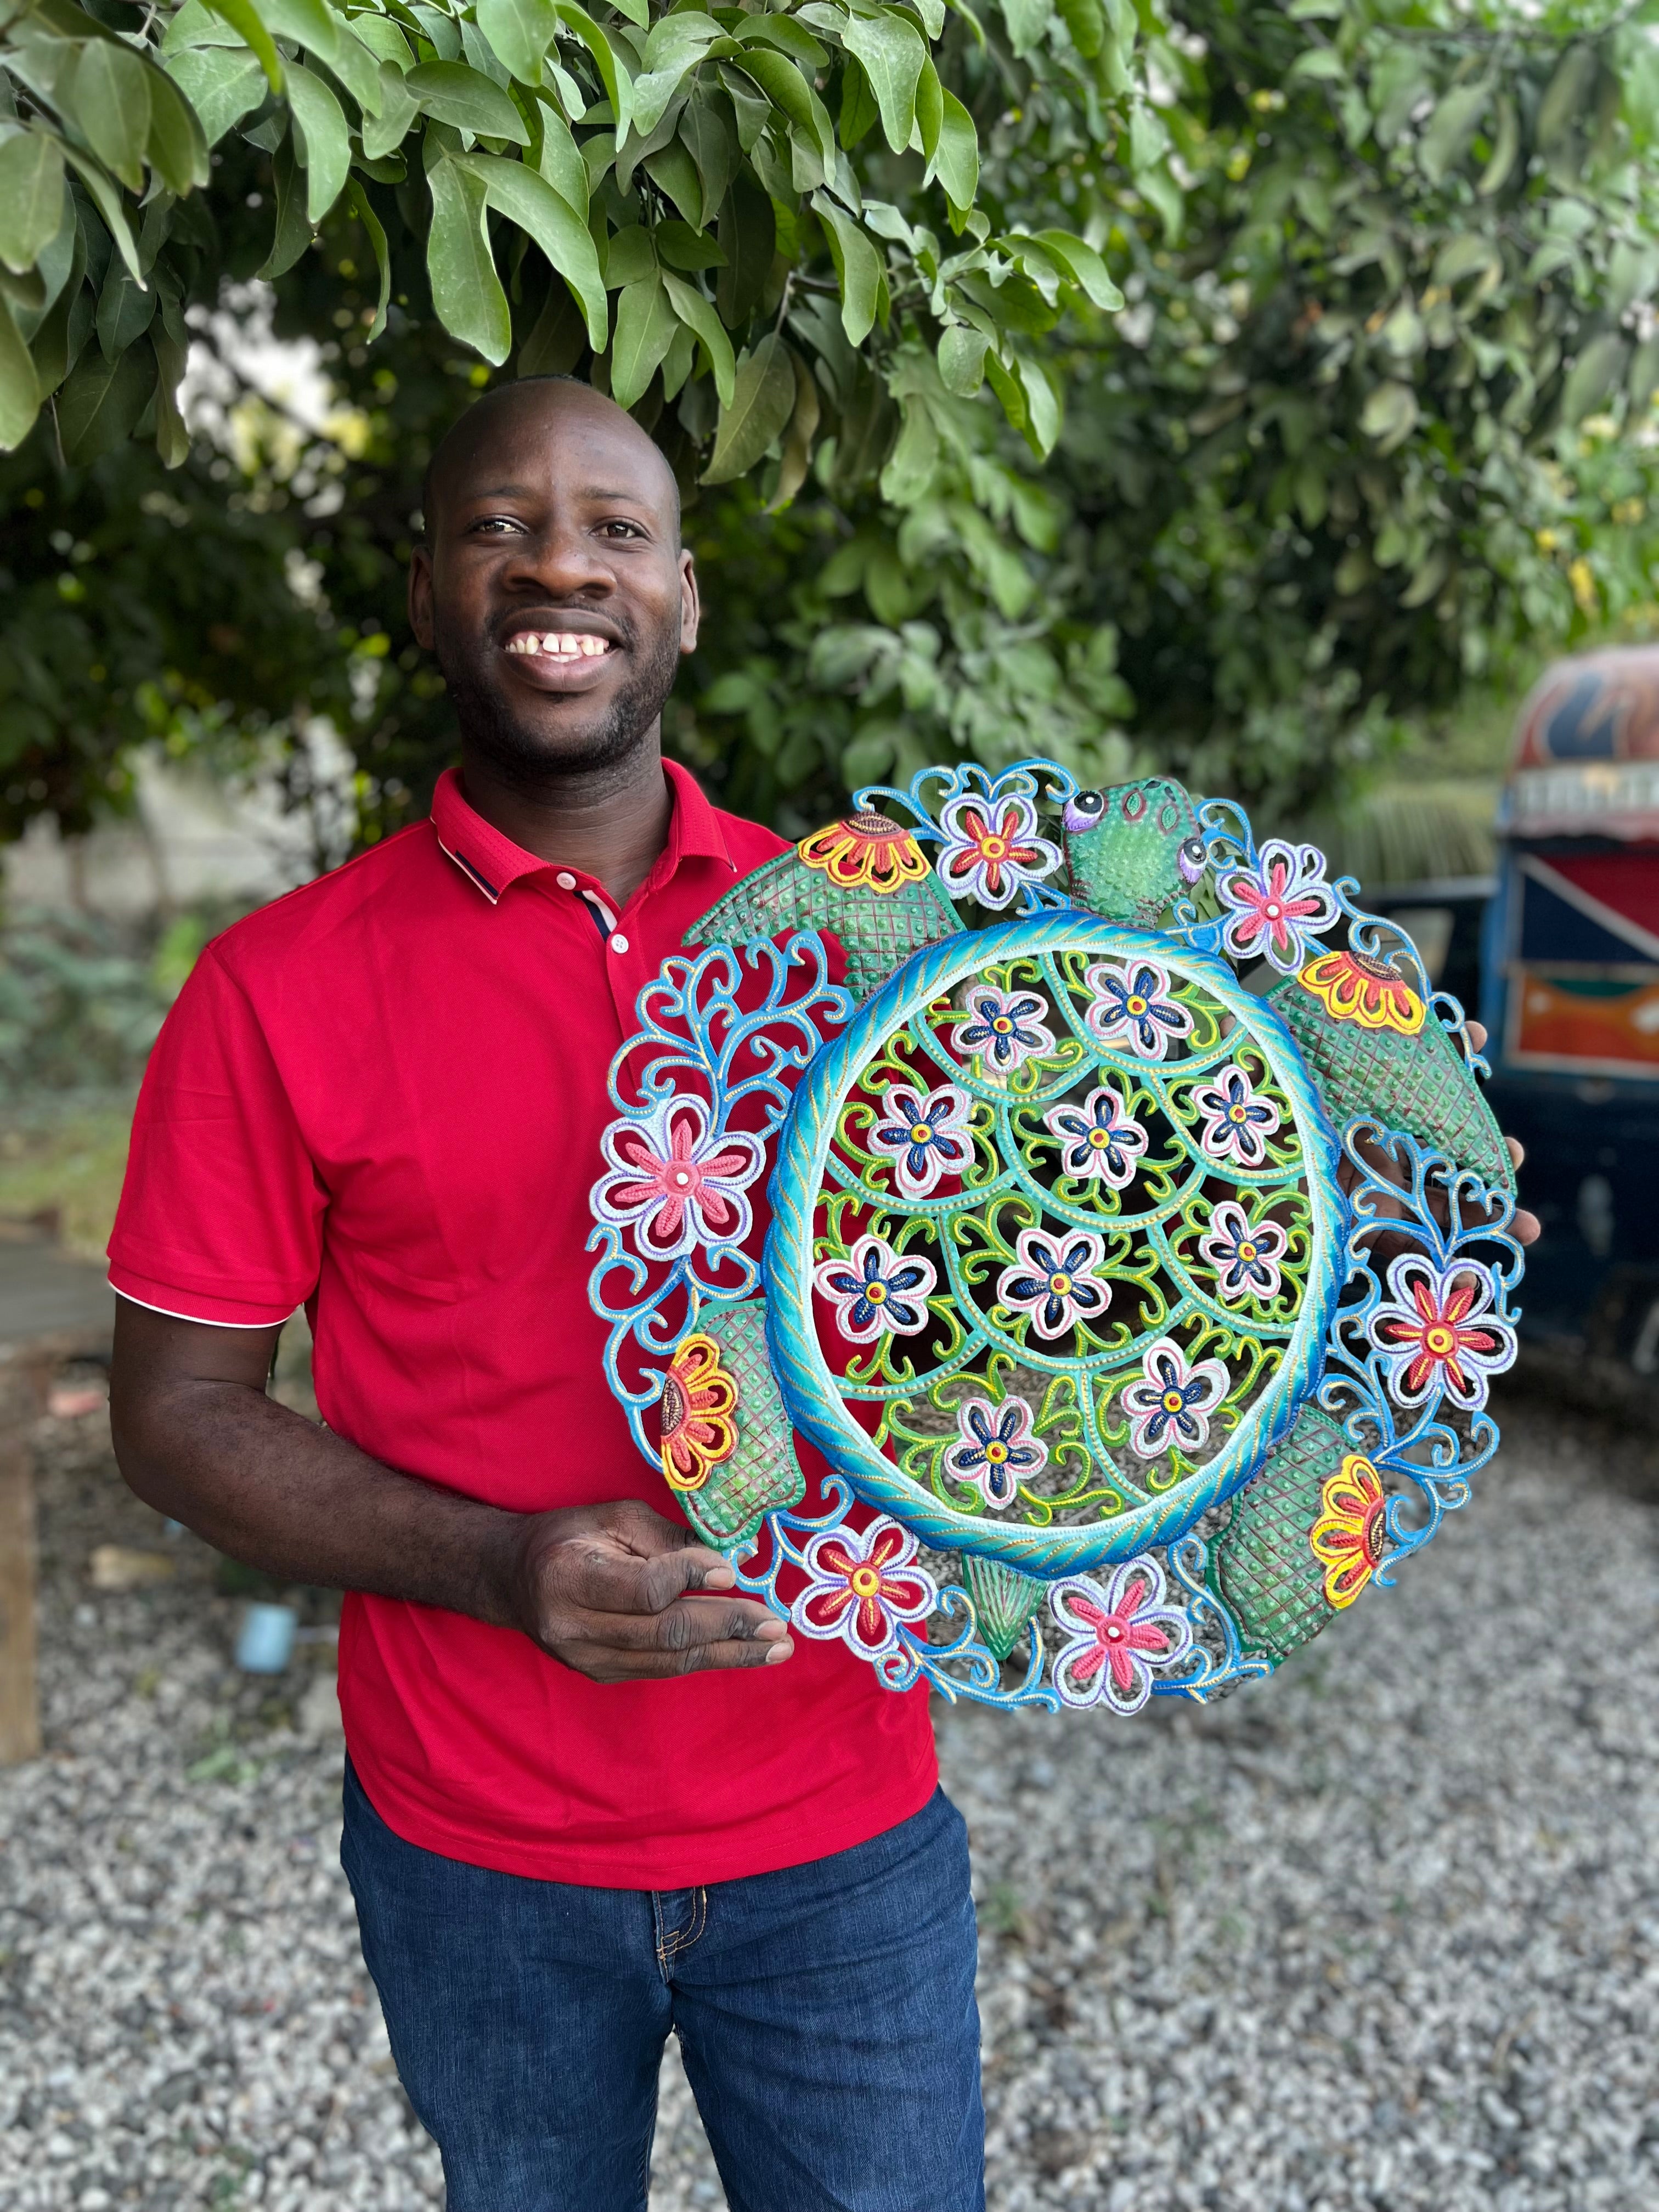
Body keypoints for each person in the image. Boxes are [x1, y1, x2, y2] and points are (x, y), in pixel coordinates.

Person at [108, 375, 1537, 2212]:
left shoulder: (882, 952)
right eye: (500, 526)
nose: (563, 565)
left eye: (618, 529)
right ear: (426, 592)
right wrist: (502, 1566)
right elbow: (176, 1417)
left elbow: (1083, 1269)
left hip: (838, 1839)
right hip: (479, 1849)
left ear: (686, 597)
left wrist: (1342, 1126)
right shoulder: (276, 986)